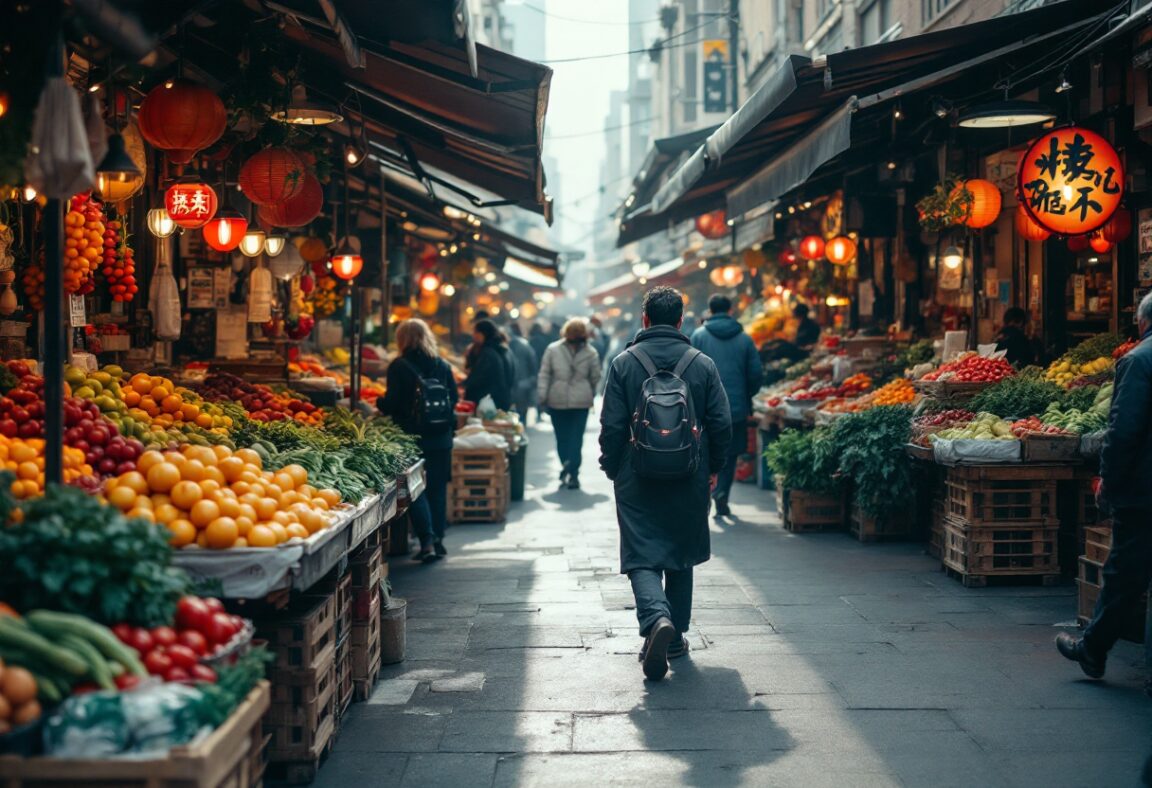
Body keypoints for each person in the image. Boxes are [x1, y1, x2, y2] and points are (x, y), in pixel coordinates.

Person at [599, 286, 732, 681]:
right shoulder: (702, 363)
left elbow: (611, 424)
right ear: (680, 322)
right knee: (681, 549)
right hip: (690, 472)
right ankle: (674, 639)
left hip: (635, 472)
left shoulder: (624, 362)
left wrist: (612, 466)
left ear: (644, 320)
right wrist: (714, 467)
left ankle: (657, 619)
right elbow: (722, 422)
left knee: (641, 552)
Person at [1056, 292, 1152, 686]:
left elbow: (1123, 432)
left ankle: (1093, 649)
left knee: (1125, 573)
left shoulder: (1137, 360)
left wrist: (1108, 483)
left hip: (1144, 491)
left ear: (1143, 322)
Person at [377, 319, 458, 562]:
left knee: (415, 487)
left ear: (402, 339)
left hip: (411, 436)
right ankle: (439, 539)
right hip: (441, 436)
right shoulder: (442, 364)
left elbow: (391, 403)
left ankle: (427, 541)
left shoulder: (399, 366)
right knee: (437, 486)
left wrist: (378, 403)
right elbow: (453, 398)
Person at [691, 294, 763, 517]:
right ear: (730, 310)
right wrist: (745, 394)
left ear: (710, 311)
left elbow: (689, 370)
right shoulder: (744, 339)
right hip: (736, 407)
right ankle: (722, 492)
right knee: (730, 453)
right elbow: (756, 373)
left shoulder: (698, 336)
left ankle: (706, 494)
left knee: (703, 450)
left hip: (704, 408)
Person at [538, 318, 601, 489]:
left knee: (562, 437)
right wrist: (589, 391)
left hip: (557, 400)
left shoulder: (553, 349)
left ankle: (567, 463)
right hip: (581, 401)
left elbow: (545, 374)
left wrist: (542, 397)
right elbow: (596, 376)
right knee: (576, 438)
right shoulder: (591, 352)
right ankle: (573, 472)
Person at [463, 319, 514, 411]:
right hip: (501, 400)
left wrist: (463, 385)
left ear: (482, 334)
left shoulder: (488, 352)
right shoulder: (502, 349)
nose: (473, 336)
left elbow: (478, 378)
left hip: (489, 403)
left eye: (475, 332)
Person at [507, 322, 539, 422]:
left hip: (513, 383)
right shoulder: (525, 345)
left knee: (512, 413)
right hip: (524, 382)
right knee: (522, 412)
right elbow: (533, 365)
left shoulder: (507, 346)